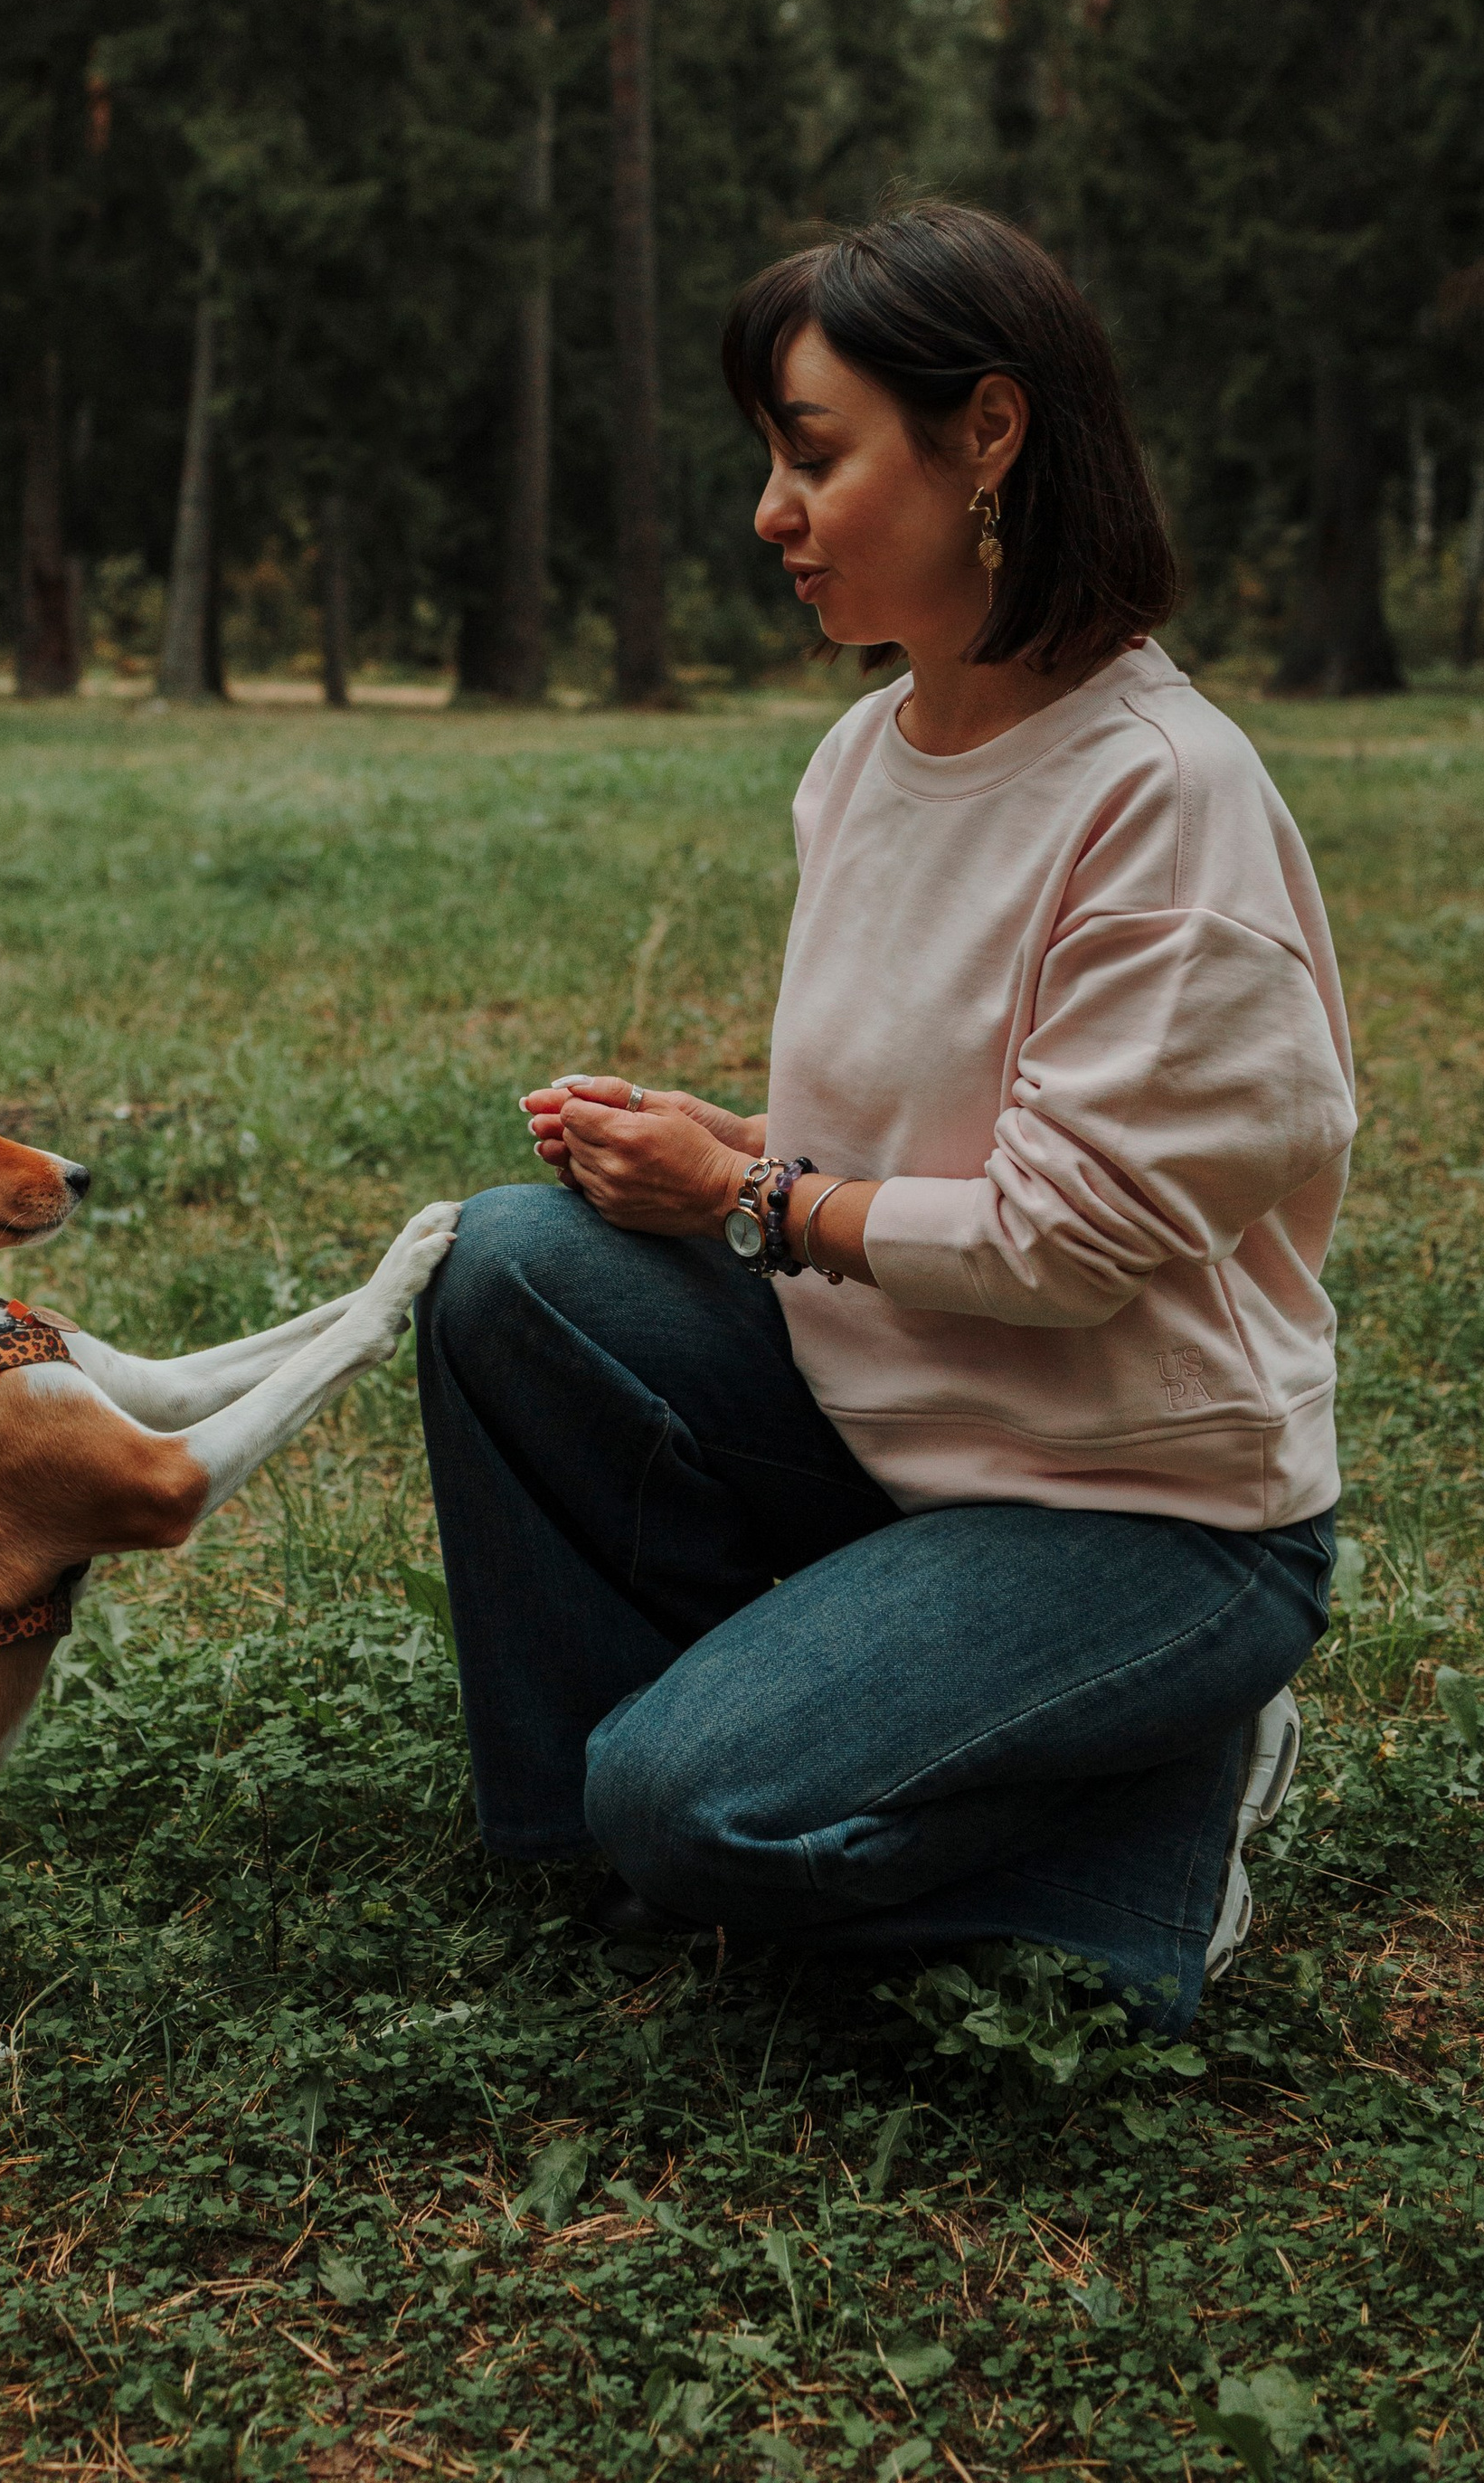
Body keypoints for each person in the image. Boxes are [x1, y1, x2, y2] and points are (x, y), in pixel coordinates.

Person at [414, 204, 1351, 2033]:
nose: (769, 511)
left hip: (1144, 1516)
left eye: (810, 453)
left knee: (695, 1805)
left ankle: (1157, 1808)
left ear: (985, 435)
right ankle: (619, 1837)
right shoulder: (858, 760)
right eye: (767, 458)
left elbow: (1065, 1243)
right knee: (508, 1267)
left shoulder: (1163, 794)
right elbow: (913, 1127)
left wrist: (751, 1191)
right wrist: (716, 1158)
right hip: (887, 1433)